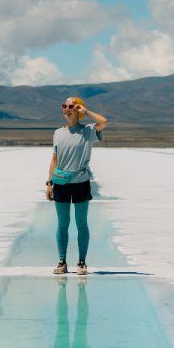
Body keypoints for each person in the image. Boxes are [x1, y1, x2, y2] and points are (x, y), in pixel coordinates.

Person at [48, 96, 108, 275]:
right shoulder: (58, 132)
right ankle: (62, 261)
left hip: (80, 182)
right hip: (61, 183)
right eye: (64, 105)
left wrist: (86, 112)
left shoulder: (88, 131)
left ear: (78, 109)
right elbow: (54, 159)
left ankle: (82, 262)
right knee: (62, 224)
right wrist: (49, 182)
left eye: (71, 106)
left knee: (81, 224)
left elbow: (104, 122)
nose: (66, 109)